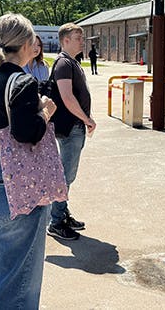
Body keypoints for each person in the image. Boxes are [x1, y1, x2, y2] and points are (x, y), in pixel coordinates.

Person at [0, 13, 57, 309]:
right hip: (18, 192)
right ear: (28, 43)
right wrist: (45, 112)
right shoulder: (23, 82)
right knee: (16, 283)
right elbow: (25, 133)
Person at [47, 23, 95, 241]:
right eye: (78, 38)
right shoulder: (64, 64)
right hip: (70, 128)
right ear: (65, 40)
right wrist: (86, 118)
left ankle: (62, 213)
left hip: (74, 127)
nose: (82, 41)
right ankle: (56, 221)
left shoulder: (72, 62)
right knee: (65, 175)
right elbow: (67, 97)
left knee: (68, 174)